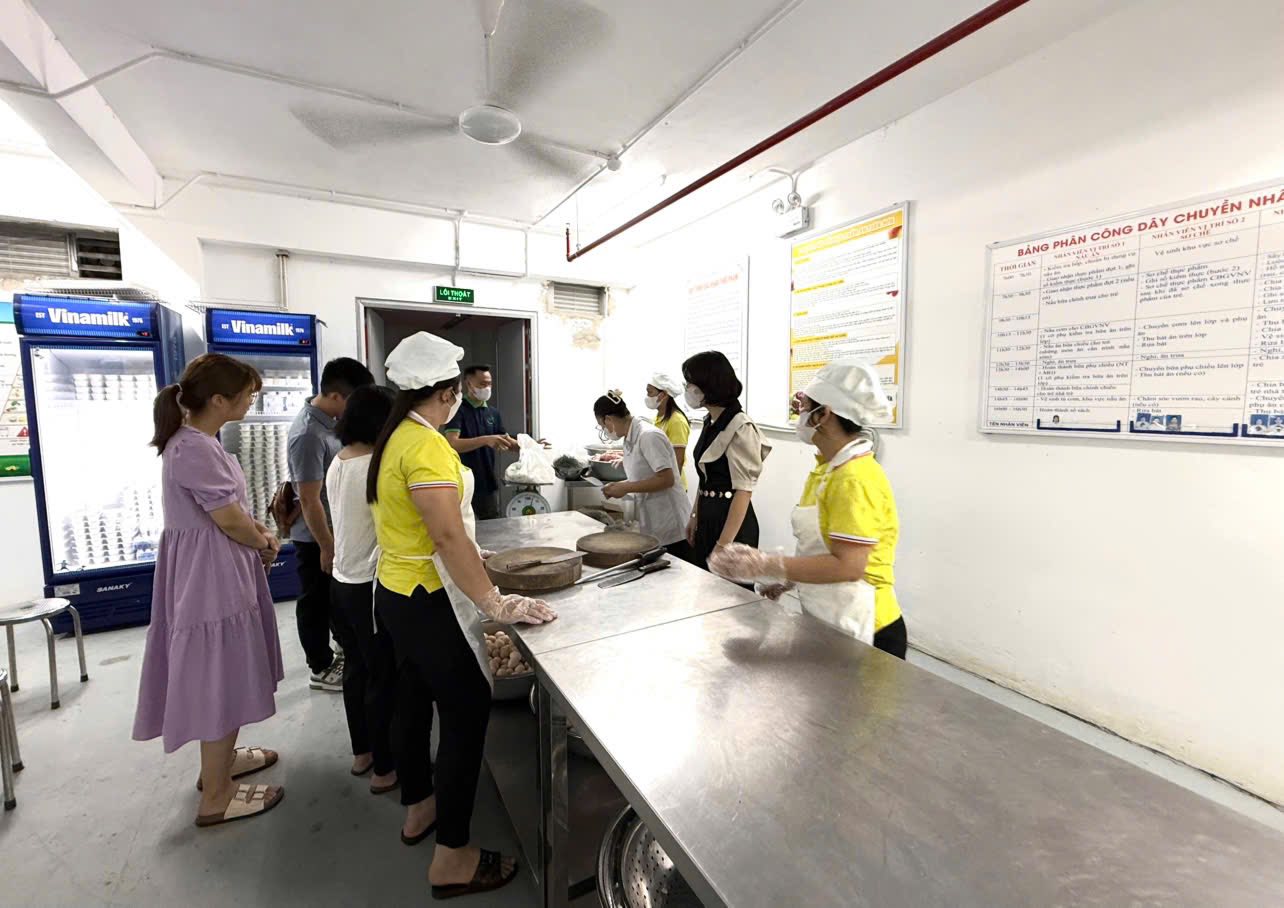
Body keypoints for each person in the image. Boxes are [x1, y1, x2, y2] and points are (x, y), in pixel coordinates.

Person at [369, 332, 556, 898]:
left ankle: (421, 807)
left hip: (395, 590)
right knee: (466, 709)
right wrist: (496, 602)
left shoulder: (397, 435)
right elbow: (445, 536)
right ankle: (452, 857)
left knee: (412, 698)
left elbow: (431, 525)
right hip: (428, 595)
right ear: (448, 391)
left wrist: (476, 550)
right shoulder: (426, 446)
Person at [133, 353, 286, 827]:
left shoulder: (196, 441)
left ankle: (220, 763)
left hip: (216, 564)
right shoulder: (193, 448)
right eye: (247, 394)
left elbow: (233, 510)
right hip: (212, 574)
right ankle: (217, 795)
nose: (251, 401)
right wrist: (263, 541)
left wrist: (259, 532)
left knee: (225, 666)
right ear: (219, 399)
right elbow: (228, 519)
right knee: (220, 670)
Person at [708, 360, 908, 658]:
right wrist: (789, 580)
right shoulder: (827, 469)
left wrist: (766, 565)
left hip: (868, 626)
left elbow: (849, 566)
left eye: (804, 406)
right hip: (834, 616)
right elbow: (823, 547)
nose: (799, 412)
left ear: (823, 414)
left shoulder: (854, 478)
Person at [326, 384, 399, 794]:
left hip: (342, 580)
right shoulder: (374, 465)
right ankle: (385, 769)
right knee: (383, 676)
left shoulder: (340, 459)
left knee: (356, 669)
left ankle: (363, 752)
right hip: (369, 585)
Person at [287, 357, 375, 693]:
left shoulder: (331, 423)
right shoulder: (308, 434)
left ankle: (339, 652)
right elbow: (309, 499)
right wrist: (326, 545)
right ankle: (320, 667)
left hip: (335, 529)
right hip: (315, 535)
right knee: (315, 600)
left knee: (334, 599)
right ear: (337, 396)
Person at [681, 351, 771, 571]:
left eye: (690, 383)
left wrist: (724, 545)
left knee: (729, 589)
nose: (687, 389)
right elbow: (705, 477)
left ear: (708, 385)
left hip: (732, 525)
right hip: (707, 517)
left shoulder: (740, 426)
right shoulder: (710, 421)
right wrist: (694, 515)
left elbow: (744, 491)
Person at [595, 391, 693, 559]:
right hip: (655, 522)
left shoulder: (649, 436)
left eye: (602, 426)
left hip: (672, 525)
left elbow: (667, 479)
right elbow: (643, 477)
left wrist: (625, 487)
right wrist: (620, 486)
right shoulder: (629, 437)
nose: (605, 431)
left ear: (608, 419)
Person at [443, 364, 516, 520]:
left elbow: (506, 441)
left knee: (491, 526)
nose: (487, 388)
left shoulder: (493, 413)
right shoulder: (457, 410)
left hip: (486, 483)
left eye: (489, 384)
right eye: (482, 384)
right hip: (460, 482)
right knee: (461, 525)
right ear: (469, 384)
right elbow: (452, 444)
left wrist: (533, 446)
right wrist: (485, 440)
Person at [644, 372, 690, 490]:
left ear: (663, 395)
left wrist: (671, 489)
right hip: (661, 482)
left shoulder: (677, 421)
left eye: (650, 392)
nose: (647, 396)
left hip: (672, 486)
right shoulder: (659, 418)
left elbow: (678, 461)